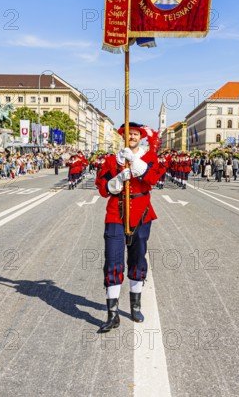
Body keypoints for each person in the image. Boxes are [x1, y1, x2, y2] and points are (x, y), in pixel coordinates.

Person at [95, 122, 165, 332]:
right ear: (124, 137)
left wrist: (135, 161)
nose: (132, 137)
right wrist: (118, 179)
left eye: (135, 134)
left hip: (142, 214)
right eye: (128, 134)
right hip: (116, 212)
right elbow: (103, 190)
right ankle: (113, 314)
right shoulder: (111, 160)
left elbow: (152, 179)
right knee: (113, 259)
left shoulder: (149, 158)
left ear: (140, 137)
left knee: (137, 258)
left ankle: (135, 305)